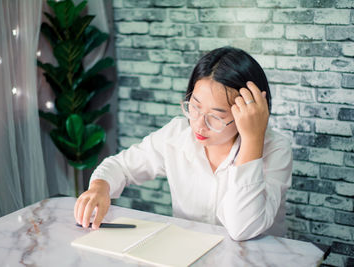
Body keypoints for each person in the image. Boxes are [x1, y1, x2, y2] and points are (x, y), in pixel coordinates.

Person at [74, 46, 292, 241]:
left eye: (216, 116)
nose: (198, 124)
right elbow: (120, 166)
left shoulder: (276, 149)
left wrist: (253, 140)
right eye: (194, 107)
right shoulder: (177, 135)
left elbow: (242, 228)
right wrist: (100, 187)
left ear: (248, 111)